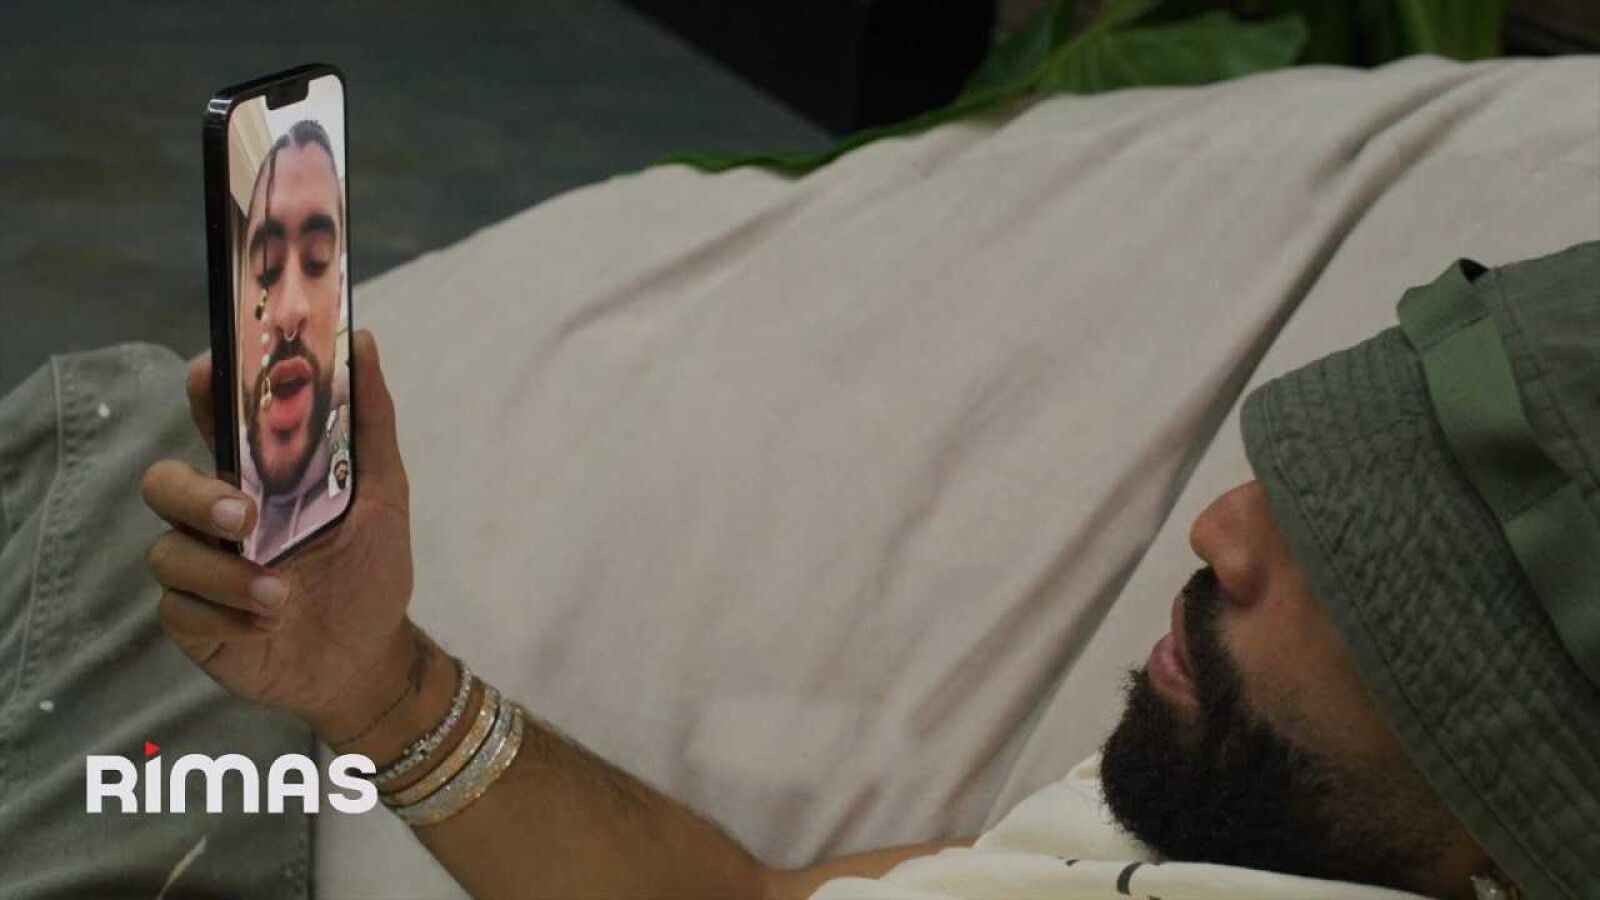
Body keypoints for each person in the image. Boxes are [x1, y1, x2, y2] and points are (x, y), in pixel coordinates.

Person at [138, 243, 1599, 899]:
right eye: (1293, 478)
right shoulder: (1253, 795)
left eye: (1356, 561)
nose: (1219, 533)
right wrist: (379, 686)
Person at [235, 118, 351, 562]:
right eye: (267, 269)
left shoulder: (355, 465)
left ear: (339, 295)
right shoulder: (213, 471)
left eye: (318, 260)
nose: (288, 313)